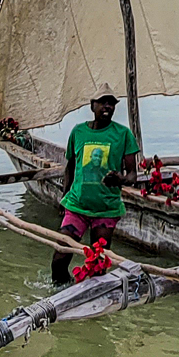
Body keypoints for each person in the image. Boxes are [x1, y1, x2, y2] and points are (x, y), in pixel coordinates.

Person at [52, 90, 141, 285]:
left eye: (111, 103)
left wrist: (120, 179)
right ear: (92, 106)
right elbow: (70, 168)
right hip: (77, 205)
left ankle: (93, 305)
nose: (107, 106)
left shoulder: (123, 134)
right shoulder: (78, 132)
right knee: (59, 260)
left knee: (98, 266)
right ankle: (61, 296)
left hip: (106, 209)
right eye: (102, 102)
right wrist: (64, 197)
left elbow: (133, 175)